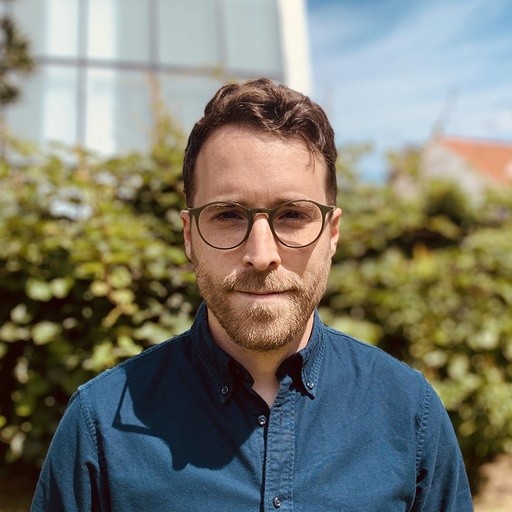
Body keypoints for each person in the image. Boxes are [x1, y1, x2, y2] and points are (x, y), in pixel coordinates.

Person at [31, 78, 473, 511]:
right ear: (189, 236)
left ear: (332, 233)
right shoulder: (99, 425)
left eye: (293, 214)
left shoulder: (410, 413)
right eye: (227, 215)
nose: (262, 256)